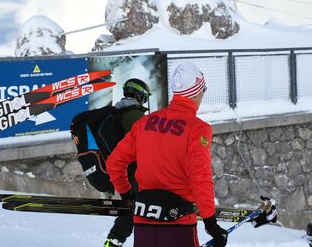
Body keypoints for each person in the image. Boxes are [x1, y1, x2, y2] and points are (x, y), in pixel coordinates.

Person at [106, 63, 277, 247]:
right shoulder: (198, 129)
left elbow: (114, 163)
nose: (203, 94)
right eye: (204, 89)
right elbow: (200, 177)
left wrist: (127, 195)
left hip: (143, 224)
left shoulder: (145, 123)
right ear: (196, 91)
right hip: (178, 225)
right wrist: (211, 223)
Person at [70, 78, 151, 247]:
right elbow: (151, 145)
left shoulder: (114, 114)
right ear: (141, 96)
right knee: (139, 210)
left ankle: (113, 243)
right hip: (135, 173)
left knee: (133, 210)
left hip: (121, 173)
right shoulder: (134, 116)